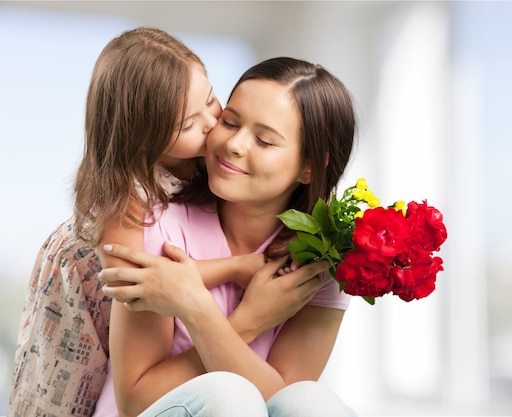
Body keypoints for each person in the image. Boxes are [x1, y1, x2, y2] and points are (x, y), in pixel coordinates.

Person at [9, 28, 321, 417]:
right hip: (77, 338)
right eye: (189, 124)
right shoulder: (129, 198)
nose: (212, 126)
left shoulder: (206, 172)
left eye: (211, 101)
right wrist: (238, 272)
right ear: (145, 140)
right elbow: (144, 280)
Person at [96, 57, 358, 416]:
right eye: (230, 121)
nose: (234, 144)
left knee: (313, 403)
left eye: (264, 141)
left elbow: (282, 405)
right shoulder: (156, 224)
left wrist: (197, 307)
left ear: (310, 166)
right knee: (227, 395)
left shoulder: (319, 263)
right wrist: (245, 321)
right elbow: (134, 400)